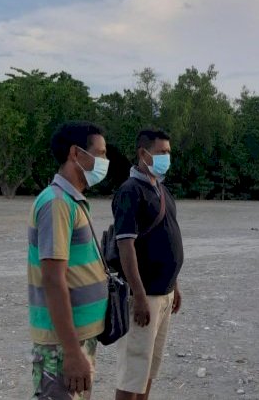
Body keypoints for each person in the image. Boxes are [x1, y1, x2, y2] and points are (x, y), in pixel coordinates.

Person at [27, 121, 110, 399]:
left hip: (76, 339)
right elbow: (53, 280)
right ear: (76, 153)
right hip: (62, 346)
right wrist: (72, 352)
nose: (104, 161)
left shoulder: (72, 201)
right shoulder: (57, 203)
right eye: (100, 153)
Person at [112, 129, 184, 400]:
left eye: (169, 152)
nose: (167, 157)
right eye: (161, 152)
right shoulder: (130, 191)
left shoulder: (161, 189)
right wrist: (139, 296)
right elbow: (125, 245)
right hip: (144, 296)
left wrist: (174, 284)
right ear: (143, 154)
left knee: (149, 370)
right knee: (133, 374)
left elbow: (165, 239)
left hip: (163, 293)